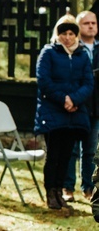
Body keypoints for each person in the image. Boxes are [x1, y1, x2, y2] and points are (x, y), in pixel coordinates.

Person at [35, 15, 94, 210]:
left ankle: (60, 189)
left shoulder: (82, 55)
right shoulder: (48, 53)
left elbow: (88, 83)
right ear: (57, 34)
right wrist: (64, 99)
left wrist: (75, 99)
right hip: (53, 110)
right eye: (64, 33)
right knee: (54, 153)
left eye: (71, 33)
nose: (67, 37)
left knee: (67, 154)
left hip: (74, 113)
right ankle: (51, 190)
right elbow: (44, 81)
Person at [64, 10, 99, 202]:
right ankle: (67, 187)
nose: (91, 26)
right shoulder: (73, 49)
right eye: (87, 23)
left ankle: (88, 187)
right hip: (76, 106)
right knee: (71, 149)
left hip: (96, 107)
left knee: (91, 150)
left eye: (94, 23)